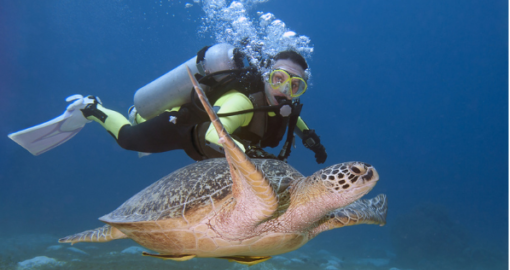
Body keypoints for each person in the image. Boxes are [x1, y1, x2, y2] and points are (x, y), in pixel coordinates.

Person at [9, 46, 328, 164]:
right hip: (184, 129)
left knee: (138, 133)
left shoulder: (284, 105)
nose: (285, 91)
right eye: (278, 79)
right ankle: (92, 108)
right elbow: (214, 137)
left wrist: (310, 138)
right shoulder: (241, 101)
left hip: (203, 141)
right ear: (266, 75)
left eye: (295, 85)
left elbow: (287, 118)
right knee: (128, 139)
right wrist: (250, 161)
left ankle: (137, 116)